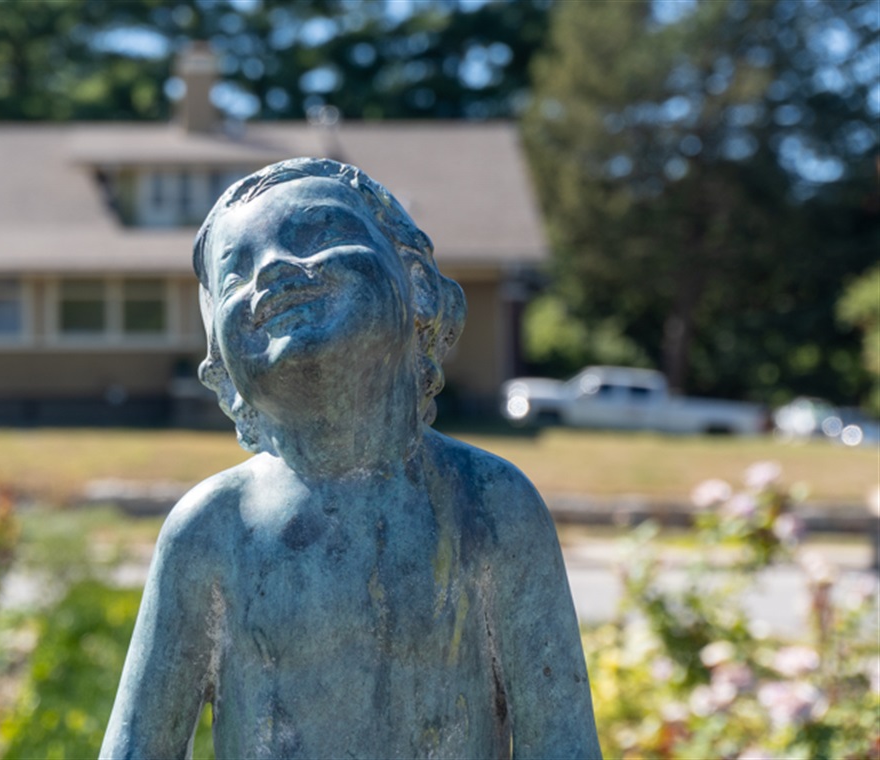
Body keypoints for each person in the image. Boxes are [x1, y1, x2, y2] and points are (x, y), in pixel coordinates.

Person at [101, 158, 601, 759]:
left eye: (318, 235)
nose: (274, 269)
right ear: (222, 368)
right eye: (235, 273)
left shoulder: (493, 504)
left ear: (416, 284)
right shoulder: (211, 529)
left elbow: (563, 742)